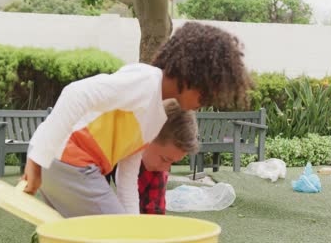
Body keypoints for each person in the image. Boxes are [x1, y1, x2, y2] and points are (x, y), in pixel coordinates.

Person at [22, 22, 251, 217]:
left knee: (85, 235)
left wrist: (134, 224)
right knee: (119, 236)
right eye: (208, 92)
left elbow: (127, 176)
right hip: (69, 161)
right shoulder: (146, 81)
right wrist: (36, 161)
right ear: (192, 76)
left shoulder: (156, 116)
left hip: (64, 164)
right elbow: (76, 93)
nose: (208, 101)